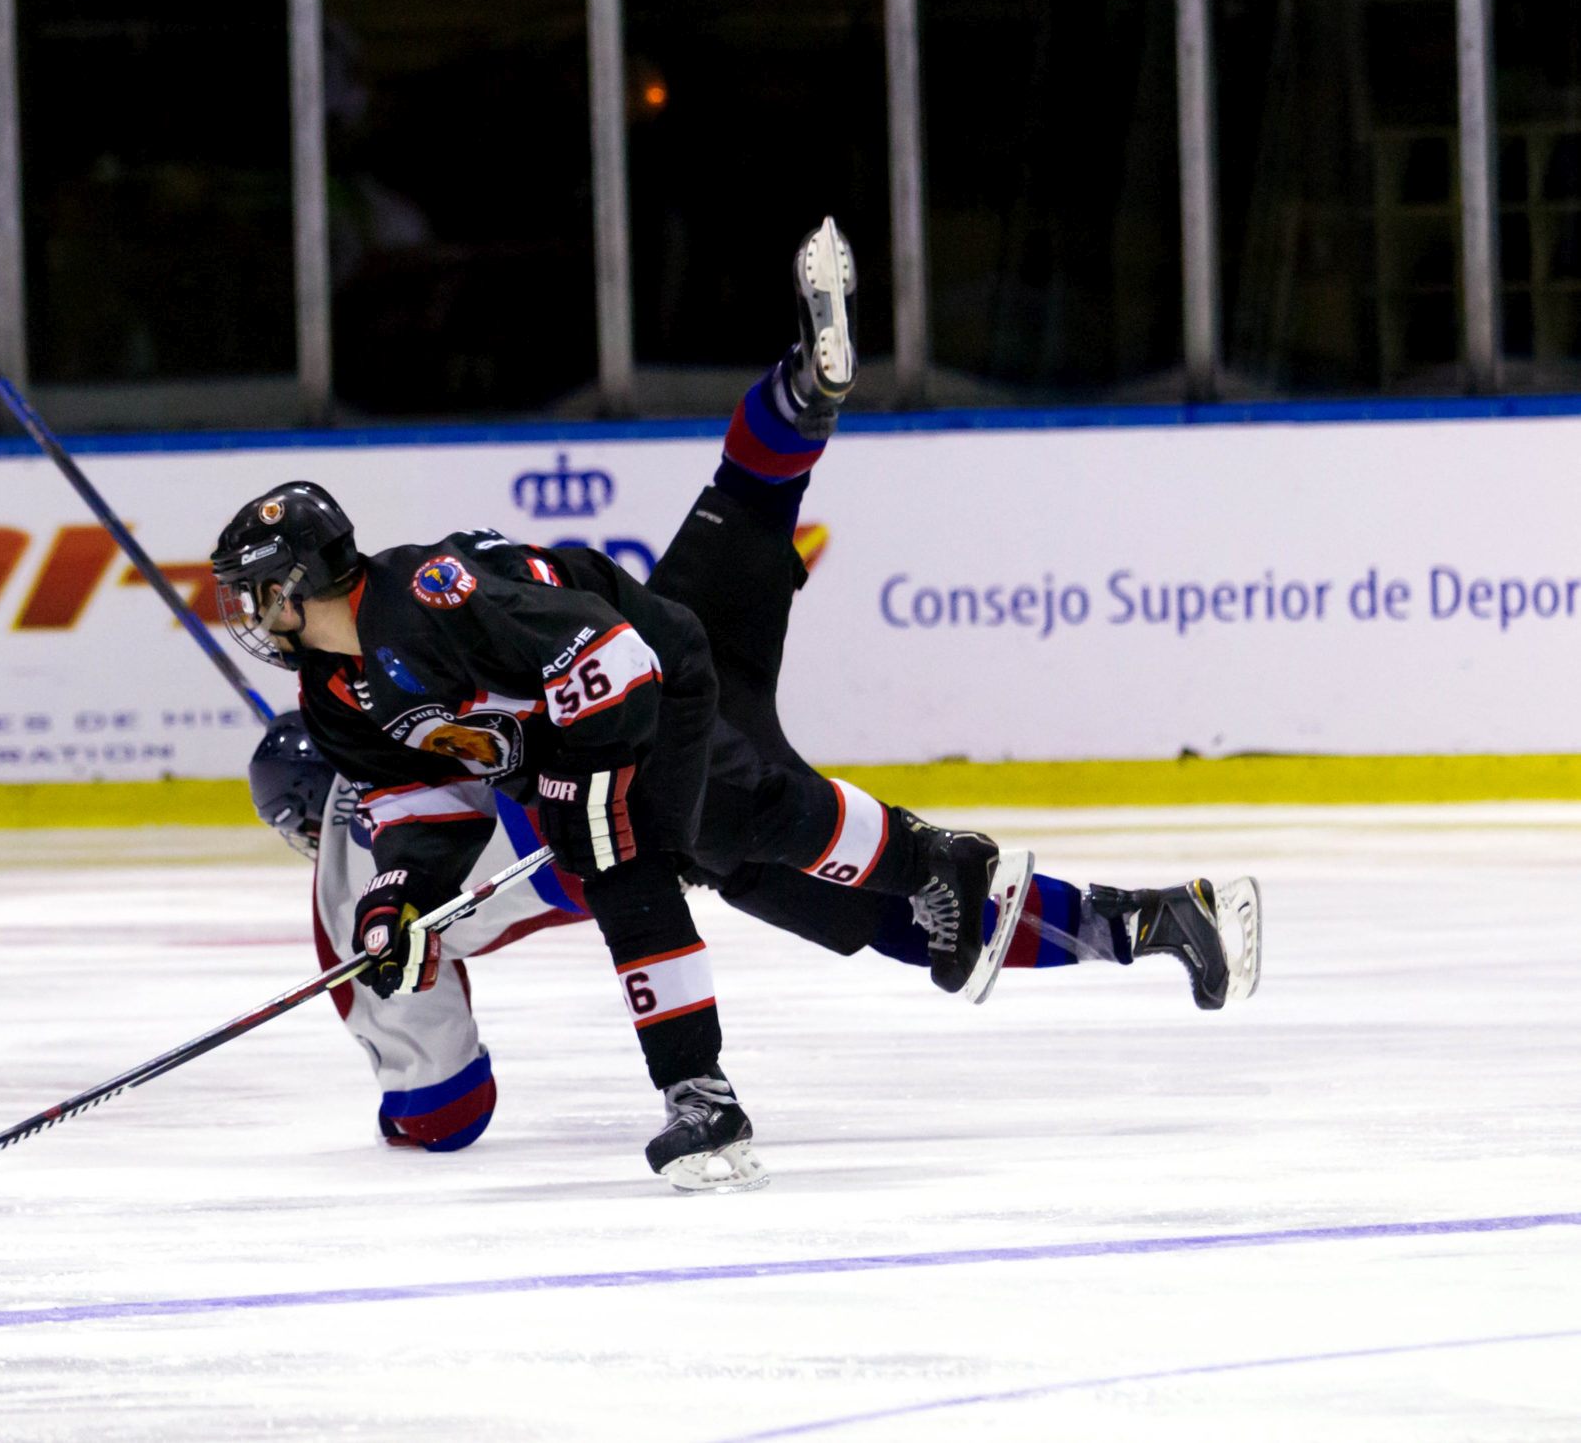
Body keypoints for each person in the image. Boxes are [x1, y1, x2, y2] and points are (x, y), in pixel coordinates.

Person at [212, 219, 1259, 1188]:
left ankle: (719, 1078)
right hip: (669, 635)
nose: (247, 614)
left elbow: (596, 690)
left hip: (646, 690)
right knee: (746, 511)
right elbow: (421, 812)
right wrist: (399, 902)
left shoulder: (420, 617)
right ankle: (1147, 918)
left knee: (667, 846)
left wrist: (559, 808)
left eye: (258, 591)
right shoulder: (351, 698)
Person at [251, 714, 1260, 1154]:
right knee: (858, 893)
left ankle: (1109, 915)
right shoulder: (398, 692)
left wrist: (401, 1118)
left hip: (599, 825)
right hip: (648, 742)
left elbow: (448, 1106)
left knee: (857, 891)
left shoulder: (347, 902)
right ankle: (1142, 920)